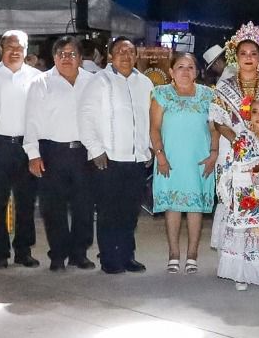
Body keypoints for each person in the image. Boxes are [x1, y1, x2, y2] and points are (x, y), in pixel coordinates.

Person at [80, 37, 154, 274]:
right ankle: (109, 258)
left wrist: (150, 147)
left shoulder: (144, 83)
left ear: (136, 56)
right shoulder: (99, 81)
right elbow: (86, 116)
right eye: (119, 51)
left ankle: (127, 255)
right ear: (111, 55)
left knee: (130, 212)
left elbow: (149, 119)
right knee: (108, 212)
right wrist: (96, 149)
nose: (125, 55)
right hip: (108, 159)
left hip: (136, 160)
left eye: (130, 52)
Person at [25, 36, 95, 272]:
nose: (67, 58)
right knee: (53, 207)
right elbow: (31, 121)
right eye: (62, 54)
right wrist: (33, 154)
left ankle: (79, 253)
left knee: (84, 207)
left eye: (72, 54)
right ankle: (58, 254)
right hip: (52, 152)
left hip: (85, 153)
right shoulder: (41, 82)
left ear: (80, 58)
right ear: (54, 57)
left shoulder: (93, 82)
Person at [209, 30, 259, 252]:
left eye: (253, 53)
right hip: (233, 148)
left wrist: (258, 142)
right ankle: (235, 252)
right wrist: (239, 140)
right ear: (236, 57)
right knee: (234, 197)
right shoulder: (223, 88)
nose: (248, 58)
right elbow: (217, 122)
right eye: (243, 53)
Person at [149, 52, 218, 274]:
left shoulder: (209, 95)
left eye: (190, 67)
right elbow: (154, 127)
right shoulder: (160, 94)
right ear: (171, 71)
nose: (185, 71)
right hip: (169, 159)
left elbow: (214, 127)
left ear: (197, 72)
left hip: (199, 159)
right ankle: (174, 254)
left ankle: (192, 255)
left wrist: (214, 153)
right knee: (173, 206)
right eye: (180, 67)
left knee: (195, 207)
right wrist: (159, 155)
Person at [0, 30, 43, 269]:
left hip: (27, 146)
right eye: (10, 46)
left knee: (26, 202)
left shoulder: (38, 78)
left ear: (27, 50)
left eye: (20, 47)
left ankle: (23, 250)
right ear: (1, 48)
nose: (15, 51)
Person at [217, 95, 259, 289]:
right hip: (247, 193)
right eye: (255, 112)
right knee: (245, 232)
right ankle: (240, 273)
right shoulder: (244, 137)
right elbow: (240, 164)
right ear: (249, 116)